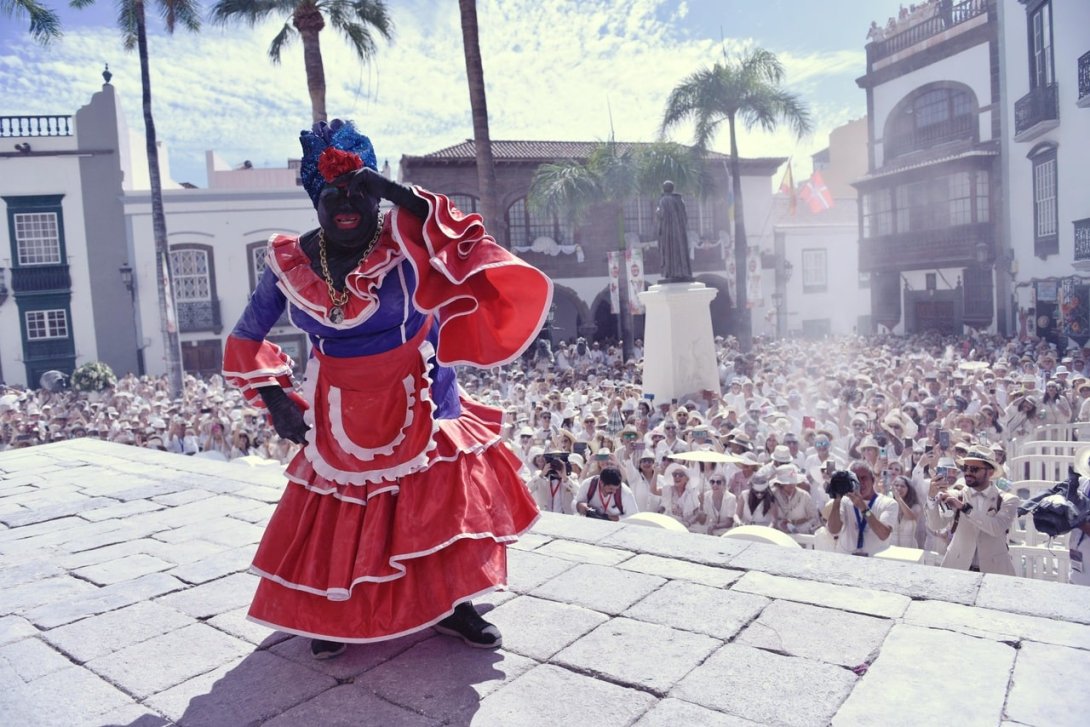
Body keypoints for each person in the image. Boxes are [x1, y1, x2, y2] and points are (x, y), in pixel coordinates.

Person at [222, 120, 550, 658]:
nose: (346, 203)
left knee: (439, 500)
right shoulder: (290, 262)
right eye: (333, 194)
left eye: (358, 191)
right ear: (315, 199)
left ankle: (454, 604)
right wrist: (276, 399)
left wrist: (395, 192)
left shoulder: (405, 237)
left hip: (424, 388)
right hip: (339, 401)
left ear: (374, 195)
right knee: (341, 510)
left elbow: (466, 236)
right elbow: (245, 336)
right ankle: (332, 613)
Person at [925, 447, 1018, 574]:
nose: (968, 473)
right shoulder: (956, 495)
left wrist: (965, 508)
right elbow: (935, 525)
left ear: (990, 473)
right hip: (958, 569)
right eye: (965, 468)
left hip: (994, 572)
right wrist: (931, 498)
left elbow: (996, 528)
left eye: (974, 469)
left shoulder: (1008, 499)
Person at [827, 461, 897, 556]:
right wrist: (837, 499)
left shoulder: (888, 503)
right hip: (846, 558)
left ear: (873, 480)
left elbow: (883, 534)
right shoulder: (845, 501)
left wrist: (863, 508)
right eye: (855, 478)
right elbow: (833, 530)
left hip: (875, 561)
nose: (859, 482)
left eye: (863, 478)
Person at [656, 180, 693, 282]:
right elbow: (685, 217)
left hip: (668, 232)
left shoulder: (663, 200)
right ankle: (682, 271)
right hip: (679, 233)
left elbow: (661, 215)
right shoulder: (679, 200)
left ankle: (671, 272)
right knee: (680, 251)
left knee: (669, 251)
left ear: (664, 189)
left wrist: (657, 212)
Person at [573, 466, 638, 521]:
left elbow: (634, 516)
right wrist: (579, 505)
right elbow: (574, 503)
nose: (614, 492)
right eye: (611, 489)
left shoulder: (626, 492)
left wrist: (617, 518)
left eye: (617, 489)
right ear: (601, 483)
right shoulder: (588, 484)